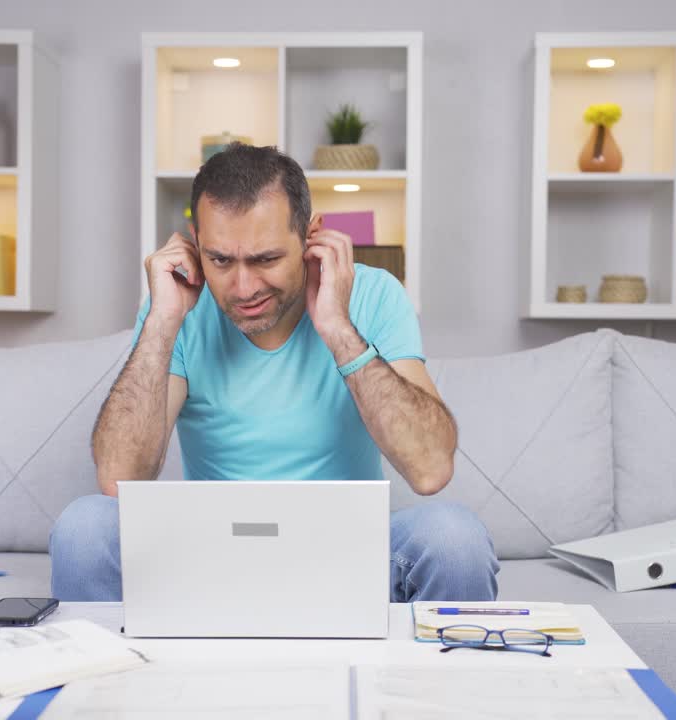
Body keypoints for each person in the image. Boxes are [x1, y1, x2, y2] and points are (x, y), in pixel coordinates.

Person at [49, 143, 499, 602]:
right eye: (220, 260)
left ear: (311, 236)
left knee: (453, 536)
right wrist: (162, 322)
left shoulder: (374, 295)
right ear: (195, 241)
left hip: (347, 553)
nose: (243, 288)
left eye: (265, 259)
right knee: (84, 527)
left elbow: (430, 470)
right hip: (211, 557)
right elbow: (120, 479)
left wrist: (338, 328)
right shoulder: (178, 307)